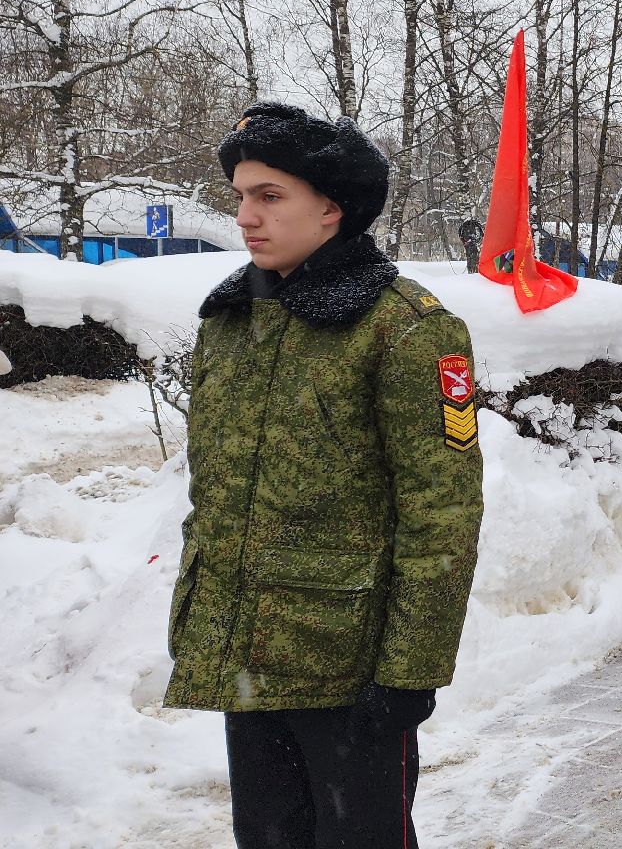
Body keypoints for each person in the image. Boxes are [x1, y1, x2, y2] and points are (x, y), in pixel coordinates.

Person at [163, 102, 485, 849]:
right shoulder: (231, 320)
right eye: (241, 196)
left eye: (270, 197)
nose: (246, 216)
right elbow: (216, 497)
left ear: (331, 210)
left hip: (350, 668)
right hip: (250, 658)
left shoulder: (405, 327)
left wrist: (412, 671)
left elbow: (443, 514)